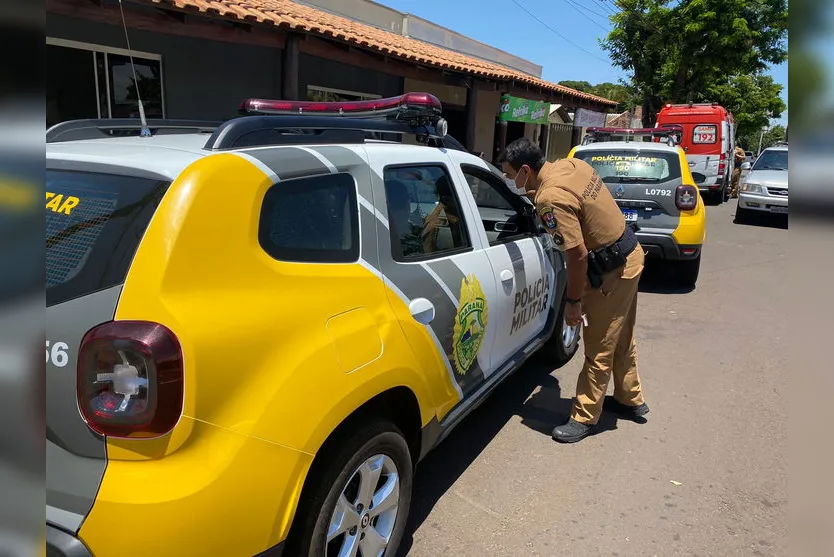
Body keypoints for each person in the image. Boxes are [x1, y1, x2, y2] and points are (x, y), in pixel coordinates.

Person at [499, 137, 649, 444]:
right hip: (630, 256)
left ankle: (584, 416)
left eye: (508, 173)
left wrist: (573, 302)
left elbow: (577, 255)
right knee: (620, 334)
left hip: (611, 274)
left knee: (598, 347)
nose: (507, 179)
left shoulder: (549, 200)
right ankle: (629, 397)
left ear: (525, 170)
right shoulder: (571, 165)